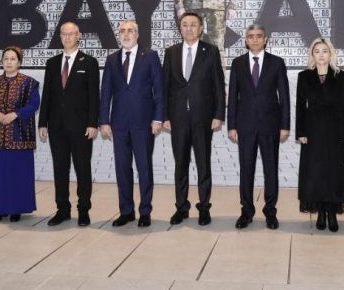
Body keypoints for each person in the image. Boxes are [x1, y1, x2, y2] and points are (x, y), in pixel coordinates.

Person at [99, 20, 165, 228]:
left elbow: (159, 90)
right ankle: (126, 211)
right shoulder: (112, 59)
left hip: (144, 123)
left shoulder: (150, 56)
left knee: (144, 168)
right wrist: (104, 120)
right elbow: (106, 92)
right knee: (122, 169)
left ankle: (145, 212)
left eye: (130, 31)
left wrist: (158, 118)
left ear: (137, 34)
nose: (126, 34)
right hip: (118, 124)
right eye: (122, 31)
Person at [162, 12, 225, 226]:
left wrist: (218, 114)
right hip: (178, 118)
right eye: (185, 25)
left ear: (200, 28)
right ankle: (182, 207)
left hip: (203, 118)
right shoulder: (171, 52)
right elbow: (165, 86)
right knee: (180, 164)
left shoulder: (211, 51)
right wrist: (164, 116)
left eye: (193, 25)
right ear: (180, 28)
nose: (188, 28)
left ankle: (204, 208)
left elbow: (218, 85)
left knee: (203, 164)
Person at [227, 24, 290, 230]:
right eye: (251, 36)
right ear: (246, 40)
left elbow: (284, 96)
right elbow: (233, 96)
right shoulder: (237, 63)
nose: (255, 39)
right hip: (245, 126)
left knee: (270, 170)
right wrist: (232, 125)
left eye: (259, 36)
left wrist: (285, 125)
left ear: (265, 40)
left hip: (270, 125)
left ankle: (270, 212)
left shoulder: (277, 63)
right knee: (246, 170)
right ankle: (246, 212)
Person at [38, 21, 101, 227]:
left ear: (78, 36)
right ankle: (62, 210)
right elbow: (47, 94)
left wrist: (93, 123)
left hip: (81, 127)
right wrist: (42, 122)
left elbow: (94, 96)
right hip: (56, 127)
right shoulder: (52, 63)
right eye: (64, 34)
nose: (67, 37)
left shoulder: (89, 62)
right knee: (60, 169)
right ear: (60, 37)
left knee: (82, 169)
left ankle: (83, 210)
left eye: (71, 34)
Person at [0, 46, 40, 222]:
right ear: (1, 62)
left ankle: (16, 209)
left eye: (13, 59)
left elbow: (34, 104)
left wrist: (16, 114)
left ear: (19, 62)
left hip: (20, 135)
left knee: (18, 173)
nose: (9, 62)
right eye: (6, 58)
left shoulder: (29, 83)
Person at [296, 38, 344, 233]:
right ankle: (320, 212)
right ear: (312, 54)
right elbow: (300, 106)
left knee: (334, 172)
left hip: (336, 131)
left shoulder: (341, 76)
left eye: (324, 51)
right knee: (315, 172)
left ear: (331, 53)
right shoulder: (304, 76)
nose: (321, 55)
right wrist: (301, 132)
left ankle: (332, 213)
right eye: (317, 51)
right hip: (312, 131)